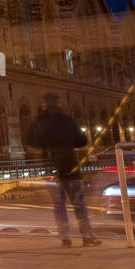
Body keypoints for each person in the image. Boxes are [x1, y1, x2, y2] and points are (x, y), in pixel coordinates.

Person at [27, 92, 102, 248]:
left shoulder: (40, 122)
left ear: (44, 105)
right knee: (79, 204)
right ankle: (87, 236)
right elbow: (81, 140)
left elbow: (30, 140)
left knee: (59, 206)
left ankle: (65, 238)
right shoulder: (67, 120)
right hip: (71, 167)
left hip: (52, 169)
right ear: (58, 104)